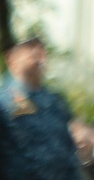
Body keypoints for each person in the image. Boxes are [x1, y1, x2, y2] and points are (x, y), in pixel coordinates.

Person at [2, 39, 84, 180]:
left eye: (41, 47)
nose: (38, 53)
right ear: (11, 59)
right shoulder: (3, 102)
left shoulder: (55, 100)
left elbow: (69, 147)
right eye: (30, 47)